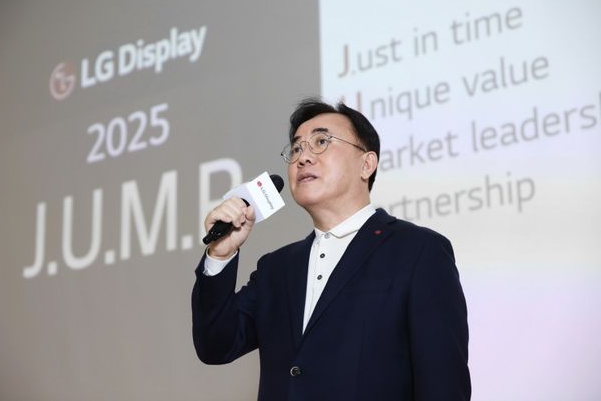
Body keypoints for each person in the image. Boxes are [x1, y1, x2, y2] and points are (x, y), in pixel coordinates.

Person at [192, 98, 471, 401]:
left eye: (321, 142)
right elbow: (215, 345)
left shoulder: (418, 251)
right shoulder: (277, 268)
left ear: (367, 164)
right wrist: (220, 255)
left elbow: (443, 385)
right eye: (296, 149)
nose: (303, 158)